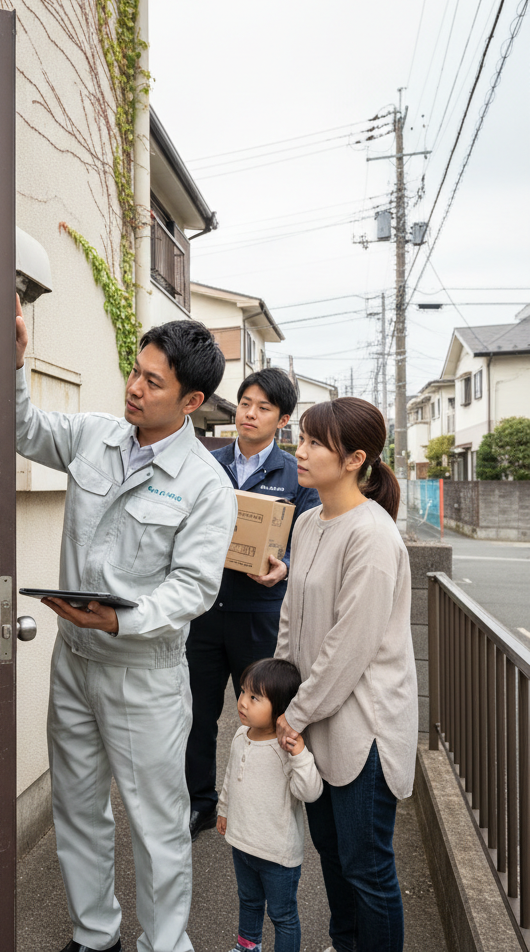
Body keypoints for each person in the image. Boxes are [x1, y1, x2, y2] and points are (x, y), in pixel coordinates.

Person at [15, 295, 238, 952]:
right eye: (135, 371)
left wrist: (120, 618)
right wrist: (16, 361)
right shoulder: (94, 436)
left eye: (153, 381)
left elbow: (194, 587)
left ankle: (164, 946)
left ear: (191, 402)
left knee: (158, 825)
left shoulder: (205, 486)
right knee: (77, 811)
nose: (134, 388)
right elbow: (22, 428)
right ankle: (95, 936)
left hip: (142, 673)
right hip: (73, 661)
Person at [274, 397, 417, 952]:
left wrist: (295, 713)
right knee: (333, 858)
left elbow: (347, 649)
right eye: (302, 438)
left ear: (355, 458)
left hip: (365, 727)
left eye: (313, 442)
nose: (300, 451)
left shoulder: (373, 536)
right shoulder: (309, 522)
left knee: (367, 867)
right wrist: (283, 695)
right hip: (314, 716)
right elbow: (292, 617)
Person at [185, 368, 320, 841]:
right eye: (245, 403)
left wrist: (284, 566)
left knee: (266, 715)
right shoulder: (205, 463)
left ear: (282, 418)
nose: (250, 413)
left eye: (263, 407)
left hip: (260, 616)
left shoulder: (296, 474)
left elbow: (308, 540)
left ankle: (269, 806)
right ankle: (198, 805)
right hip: (201, 612)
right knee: (196, 715)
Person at [216, 658, 323, 952]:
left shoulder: (285, 748)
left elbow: (310, 792)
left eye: (254, 697)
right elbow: (229, 776)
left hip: (277, 854)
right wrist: (223, 809)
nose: (242, 703)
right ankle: (248, 947)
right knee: (248, 902)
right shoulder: (240, 735)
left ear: (280, 709)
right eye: (242, 692)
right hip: (243, 844)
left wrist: (300, 754)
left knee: (282, 916)